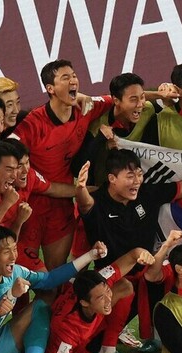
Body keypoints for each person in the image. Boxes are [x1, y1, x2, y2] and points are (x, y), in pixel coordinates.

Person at [77, 147, 182, 344]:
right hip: (112, 279)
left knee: (168, 286)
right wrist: (80, 189)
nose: (137, 181)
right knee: (92, 337)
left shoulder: (147, 194)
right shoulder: (99, 201)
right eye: (130, 176)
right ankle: (103, 344)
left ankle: (157, 342)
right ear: (112, 178)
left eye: (139, 174)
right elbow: (85, 204)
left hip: (144, 278)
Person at [11, 59, 114, 269]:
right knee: (26, 276)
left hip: (62, 207)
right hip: (31, 205)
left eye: (74, 76)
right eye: (65, 78)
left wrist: (160, 95)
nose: (73, 81)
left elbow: (123, 98)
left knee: (57, 274)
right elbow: (6, 150)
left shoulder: (84, 108)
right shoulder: (34, 123)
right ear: (50, 88)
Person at [45, 247, 168, 353]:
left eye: (107, 291)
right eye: (101, 298)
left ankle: (108, 349)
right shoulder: (68, 330)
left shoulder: (98, 282)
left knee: (124, 286)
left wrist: (142, 254)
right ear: (84, 302)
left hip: (89, 322)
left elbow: (133, 255)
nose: (108, 299)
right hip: (71, 348)